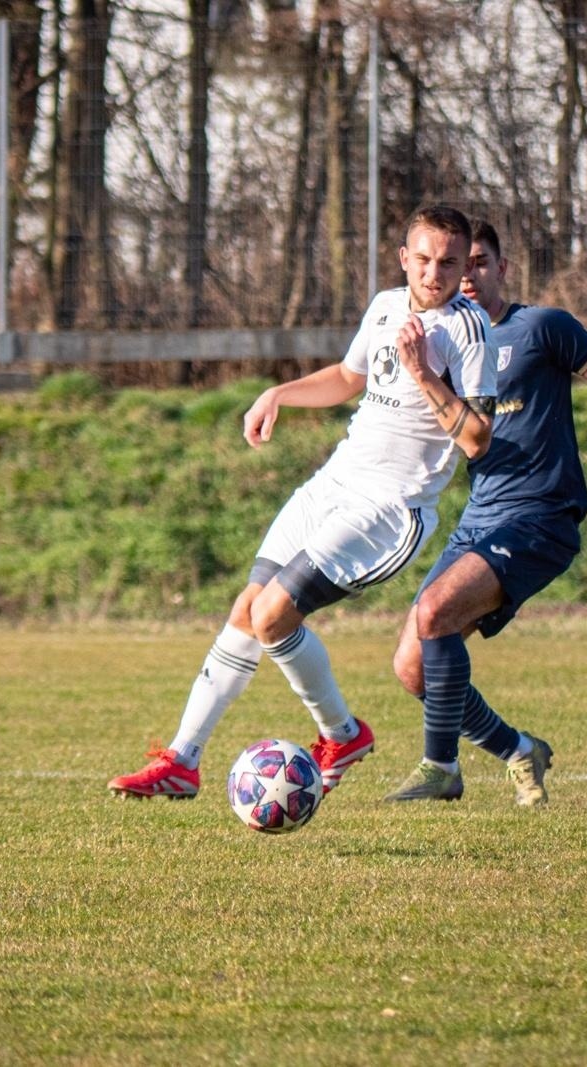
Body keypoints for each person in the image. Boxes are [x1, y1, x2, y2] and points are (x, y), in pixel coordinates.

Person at [108, 204, 497, 798]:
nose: (433, 272)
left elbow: (476, 438)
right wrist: (278, 394)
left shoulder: (469, 330)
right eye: (422, 259)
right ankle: (183, 762)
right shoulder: (386, 307)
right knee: (248, 608)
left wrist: (423, 374)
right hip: (333, 483)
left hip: (389, 510)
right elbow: (348, 377)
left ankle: (342, 733)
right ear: (404, 258)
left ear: (463, 263)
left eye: (447, 262)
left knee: (272, 617)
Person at [383, 219, 587, 805]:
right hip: (479, 516)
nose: (465, 276)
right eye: (453, 265)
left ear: (501, 268)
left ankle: (440, 768)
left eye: (478, 263)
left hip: (541, 514)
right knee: (412, 667)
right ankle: (519, 748)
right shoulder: (444, 340)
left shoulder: (541, 327)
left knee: (437, 611)